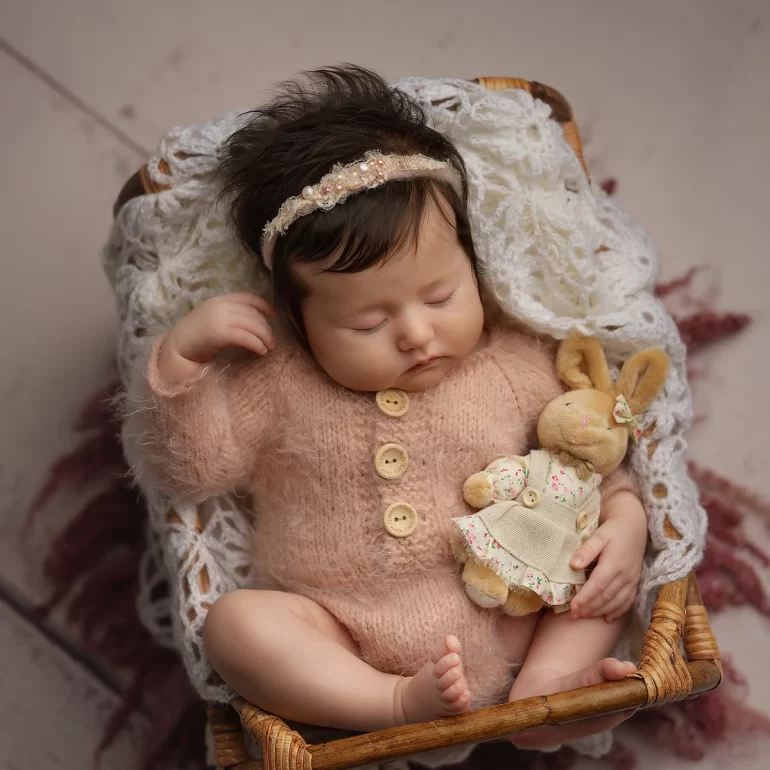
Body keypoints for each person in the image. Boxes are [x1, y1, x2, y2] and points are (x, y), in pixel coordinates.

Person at [124, 64, 646, 749]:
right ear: (299, 320)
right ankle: (392, 703)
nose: (417, 334)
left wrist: (627, 521)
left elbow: (589, 459)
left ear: (475, 267)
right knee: (234, 627)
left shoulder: (514, 363)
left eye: (440, 296)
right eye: (367, 323)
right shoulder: (275, 380)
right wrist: (180, 363)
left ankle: (545, 696)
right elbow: (192, 471)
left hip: (512, 616)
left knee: (596, 579)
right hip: (338, 630)